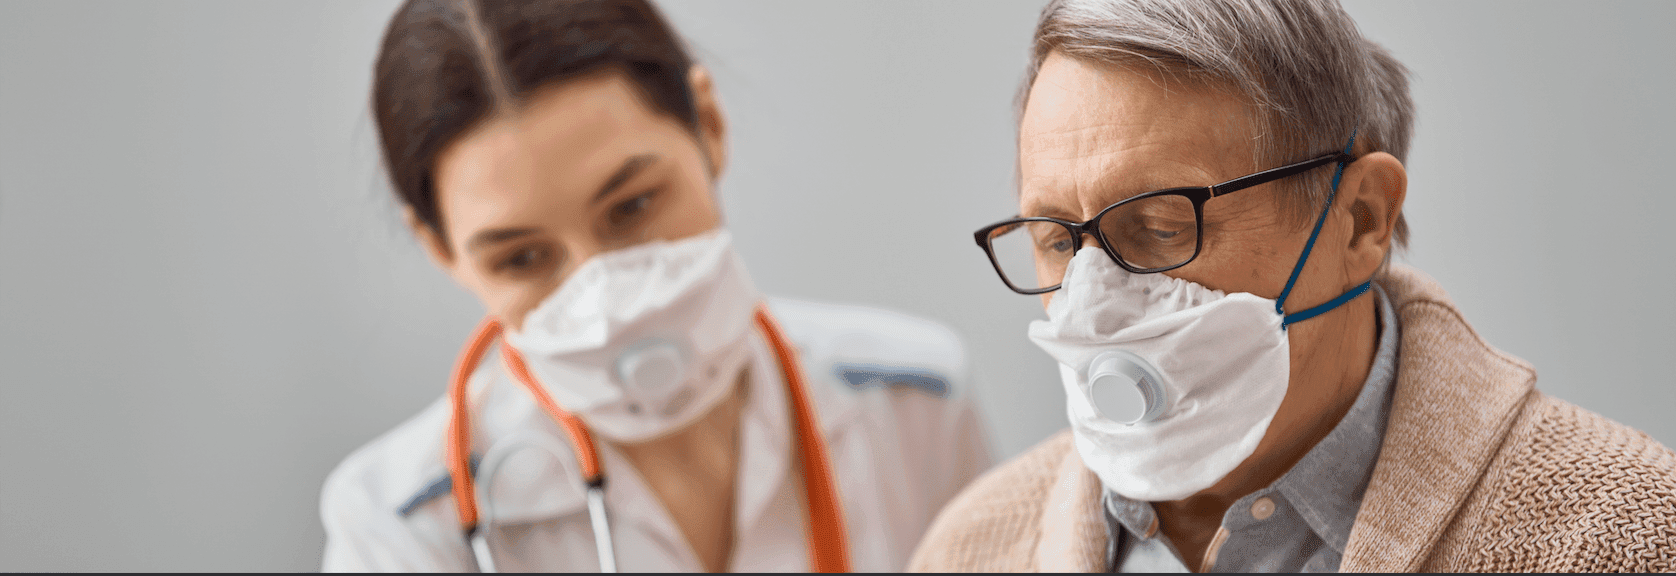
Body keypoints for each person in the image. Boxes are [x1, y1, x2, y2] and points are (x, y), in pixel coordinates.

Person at [910, 0, 1676, 572]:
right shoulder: (973, 546)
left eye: (1162, 225)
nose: (1094, 301)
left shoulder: (1623, 533)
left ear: (1359, 220)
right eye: (1055, 241)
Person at [317, 0, 991, 571]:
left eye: (633, 206)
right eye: (522, 259)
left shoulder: (916, 403)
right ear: (441, 250)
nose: (604, 301)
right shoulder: (396, 525)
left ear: (710, 125)